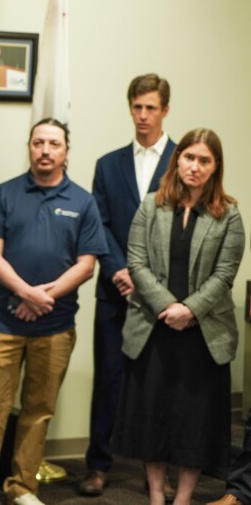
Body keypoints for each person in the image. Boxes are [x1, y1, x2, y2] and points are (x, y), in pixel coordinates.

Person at [0, 118, 107, 505]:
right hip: (4, 323)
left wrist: (42, 298)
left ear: (66, 150)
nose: (45, 150)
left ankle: (21, 487)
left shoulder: (82, 201)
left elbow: (86, 265)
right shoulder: (5, 193)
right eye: (38, 143)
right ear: (29, 147)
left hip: (55, 325)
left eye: (53, 143)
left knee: (38, 412)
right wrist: (26, 292)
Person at [113, 128, 245, 505]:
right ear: (177, 159)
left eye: (205, 160)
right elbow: (136, 261)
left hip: (202, 336)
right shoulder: (152, 205)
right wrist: (167, 307)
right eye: (189, 157)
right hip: (154, 330)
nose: (195, 166)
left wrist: (189, 310)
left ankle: (184, 497)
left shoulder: (229, 214)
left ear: (215, 167)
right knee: (152, 419)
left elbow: (225, 274)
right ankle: (157, 496)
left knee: (194, 423)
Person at [79, 73, 176, 497]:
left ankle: (158, 472)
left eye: (150, 107)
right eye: (136, 107)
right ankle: (98, 467)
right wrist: (121, 270)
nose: (142, 115)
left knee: (161, 385)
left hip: (166, 296)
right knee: (110, 381)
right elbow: (98, 224)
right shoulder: (108, 163)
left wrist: (148, 282)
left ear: (165, 111)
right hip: (115, 292)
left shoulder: (182, 160)